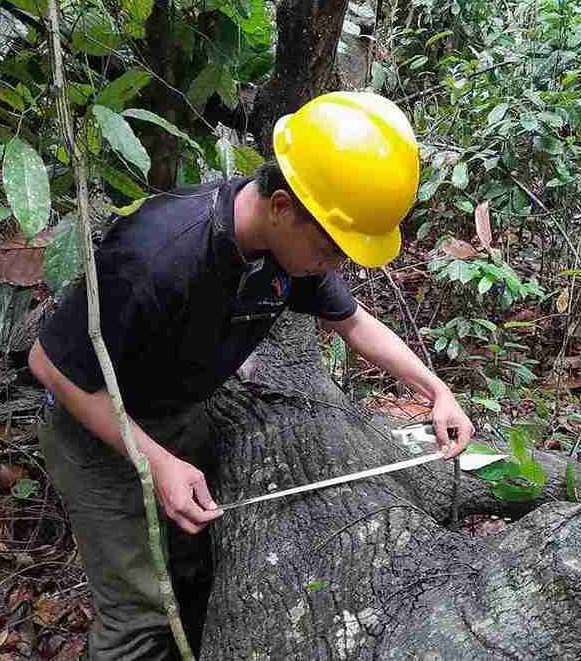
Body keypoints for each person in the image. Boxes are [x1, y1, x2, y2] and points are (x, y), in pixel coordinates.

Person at [28, 91, 475, 660]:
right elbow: (51, 367)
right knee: (139, 614)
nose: (333, 264)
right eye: (330, 249)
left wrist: (436, 390)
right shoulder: (157, 256)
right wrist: (155, 462)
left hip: (178, 416)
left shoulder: (292, 249)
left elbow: (354, 323)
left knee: (193, 566)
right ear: (283, 205)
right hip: (96, 435)